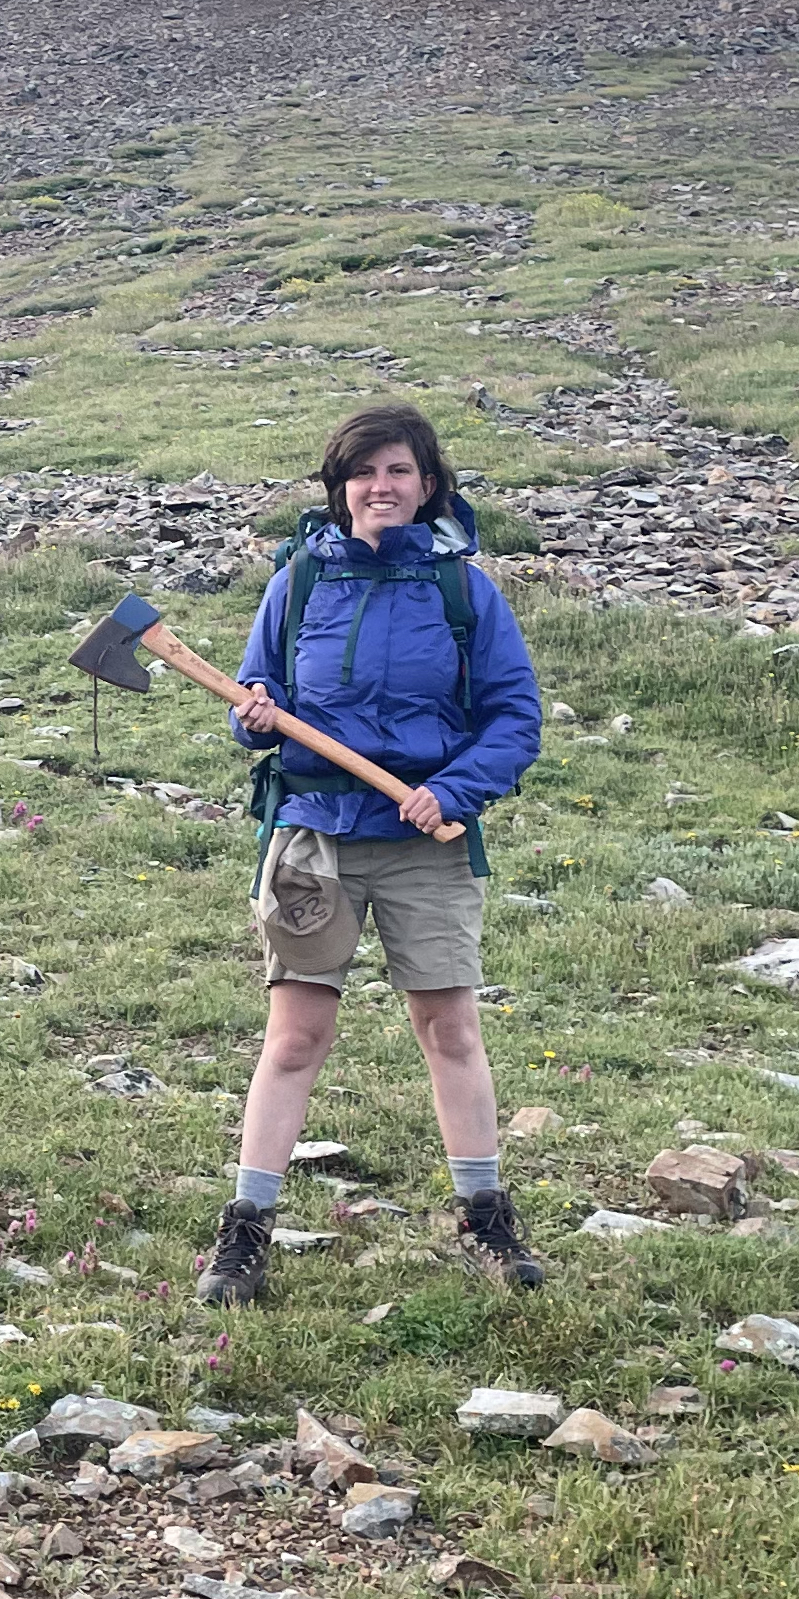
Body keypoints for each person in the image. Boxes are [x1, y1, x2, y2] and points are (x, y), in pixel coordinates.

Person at [195, 399, 546, 1303]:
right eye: (364, 472)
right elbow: (257, 705)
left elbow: (514, 717)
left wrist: (454, 790)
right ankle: (245, 1232)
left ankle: (486, 1220)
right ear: (340, 487)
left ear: (428, 486)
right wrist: (253, 712)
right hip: (315, 832)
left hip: (425, 837)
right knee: (295, 1035)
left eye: (398, 471)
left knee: (450, 1028)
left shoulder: (465, 591)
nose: (380, 487)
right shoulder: (300, 583)